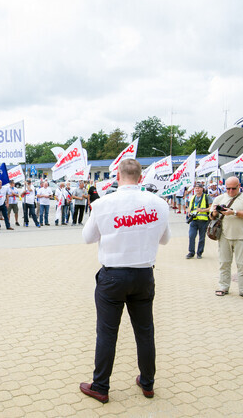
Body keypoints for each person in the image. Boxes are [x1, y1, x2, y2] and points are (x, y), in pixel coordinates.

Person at [79, 159, 170, 404]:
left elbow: (87, 237)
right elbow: (165, 240)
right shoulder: (158, 203)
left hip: (113, 276)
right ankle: (148, 383)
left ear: (117, 176)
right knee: (145, 331)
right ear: (141, 177)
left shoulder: (102, 203)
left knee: (107, 333)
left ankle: (101, 386)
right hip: (143, 274)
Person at [211, 176, 243, 300]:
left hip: (241, 236)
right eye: (228, 188)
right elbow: (212, 216)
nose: (230, 191)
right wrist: (215, 211)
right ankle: (223, 287)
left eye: (233, 188)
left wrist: (234, 212)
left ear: (239, 186)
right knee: (224, 263)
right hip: (224, 236)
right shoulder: (220, 198)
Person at [186, 183, 212, 259]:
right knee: (191, 236)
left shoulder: (206, 197)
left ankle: (199, 253)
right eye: (196, 188)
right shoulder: (193, 197)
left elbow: (211, 207)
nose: (197, 189)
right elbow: (189, 207)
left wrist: (202, 210)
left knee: (202, 238)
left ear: (202, 189)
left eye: (199, 188)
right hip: (194, 220)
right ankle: (191, 252)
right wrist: (188, 212)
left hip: (203, 220)